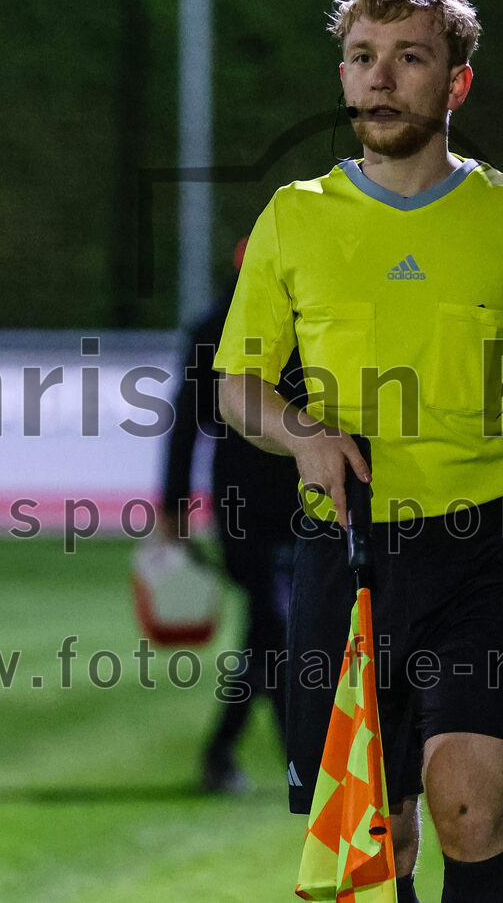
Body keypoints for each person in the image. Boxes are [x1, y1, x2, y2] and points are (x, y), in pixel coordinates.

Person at [215, 0, 503, 902]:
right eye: (364, 58)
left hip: (479, 555)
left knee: (469, 811)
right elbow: (237, 387)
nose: (383, 77)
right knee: (385, 840)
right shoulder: (295, 216)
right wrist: (301, 435)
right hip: (345, 557)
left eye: (410, 57)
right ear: (342, 77)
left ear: (455, 83)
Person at [161, 237, 306, 793]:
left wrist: (175, 507)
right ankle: (297, 762)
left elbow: (184, 428)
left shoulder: (215, 327)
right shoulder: (294, 323)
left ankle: (231, 756)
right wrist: (174, 508)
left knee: (271, 631)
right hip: (273, 500)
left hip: (260, 499)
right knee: (276, 629)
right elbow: (185, 423)